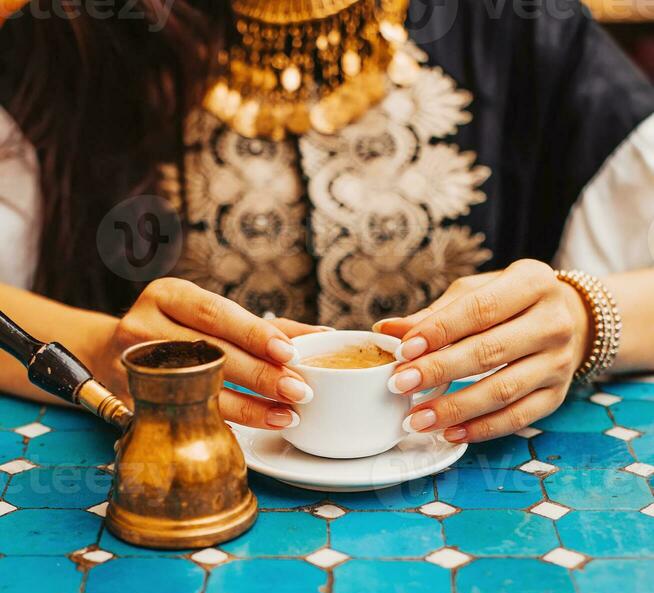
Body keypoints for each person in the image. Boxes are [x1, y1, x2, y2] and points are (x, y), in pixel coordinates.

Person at [1, 0, 653, 444]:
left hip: (474, 512)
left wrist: (584, 315)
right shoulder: (78, 28)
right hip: (159, 514)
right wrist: (103, 351)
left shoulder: (523, 26)